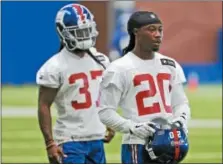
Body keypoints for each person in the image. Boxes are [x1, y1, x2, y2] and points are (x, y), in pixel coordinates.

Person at [97, 11, 191, 163]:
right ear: (136, 32)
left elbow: (181, 103)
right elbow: (105, 112)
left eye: (160, 29)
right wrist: (132, 127)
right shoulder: (119, 68)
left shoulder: (170, 65)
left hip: (169, 144)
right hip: (137, 145)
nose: (158, 34)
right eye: (151, 29)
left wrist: (181, 120)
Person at [36, 3, 115, 164]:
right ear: (64, 33)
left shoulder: (101, 60)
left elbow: (103, 95)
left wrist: (110, 122)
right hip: (70, 140)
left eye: (87, 30)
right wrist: (50, 143)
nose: (85, 36)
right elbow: (44, 105)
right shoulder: (54, 67)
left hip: (96, 138)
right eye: (79, 33)